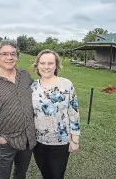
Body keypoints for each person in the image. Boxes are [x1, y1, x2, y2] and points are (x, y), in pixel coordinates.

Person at [0, 40, 36, 179]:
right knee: (2, 175)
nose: (9, 58)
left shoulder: (25, 75)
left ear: (17, 57)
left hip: (28, 138)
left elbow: (38, 94)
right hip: (6, 142)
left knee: (21, 173)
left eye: (13, 54)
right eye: (4, 54)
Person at [31, 49, 81, 179]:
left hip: (60, 142)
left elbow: (73, 112)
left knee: (56, 175)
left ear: (56, 65)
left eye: (50, 63)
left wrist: (75, 140)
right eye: (42, 63)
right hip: (38, 142)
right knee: (45, 174)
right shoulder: (32, 87)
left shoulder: (66, 84)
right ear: (37, 65)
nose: (46, 67)